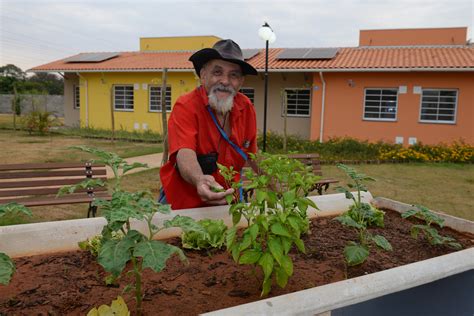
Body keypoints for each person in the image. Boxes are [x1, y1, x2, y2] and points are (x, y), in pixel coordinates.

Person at [159, 39, 259, 210]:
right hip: (185, 208)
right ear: (203, 75)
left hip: (228, 203)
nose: (225, 81)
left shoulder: (246, 107)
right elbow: (184, 153)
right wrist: (200, 179)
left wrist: (277, 184)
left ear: (241, 82)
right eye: (217, 72)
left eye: (233, 75)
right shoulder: (186, 106)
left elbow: (253, 155)